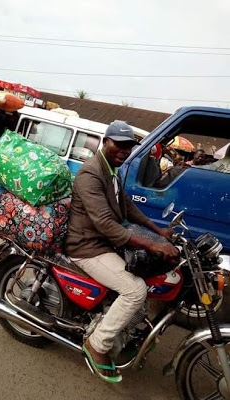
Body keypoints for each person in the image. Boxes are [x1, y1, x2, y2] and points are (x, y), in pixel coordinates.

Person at [65, 120, 179, 383]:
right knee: (135, 289)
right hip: (87, 248)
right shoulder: (91, 173)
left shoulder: (111, 170)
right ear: (106, 141)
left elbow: (126, 206)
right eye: (119, 144)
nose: (124, 150)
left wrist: (158, 230)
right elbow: (105, 223)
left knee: (150, 275)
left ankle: (123, 328)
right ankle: (97, 344)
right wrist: (152, 243)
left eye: (129, 146)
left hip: (103, 243)